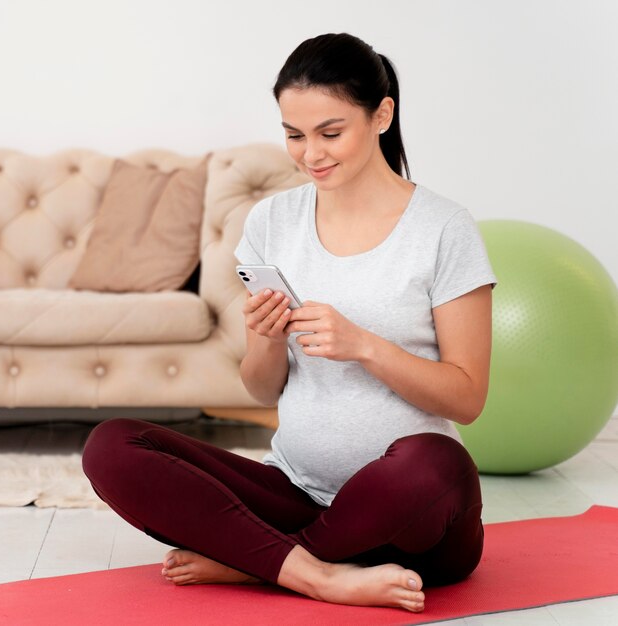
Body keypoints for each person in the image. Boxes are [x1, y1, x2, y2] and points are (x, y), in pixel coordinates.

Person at [82, 32, 497, 614]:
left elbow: (467, 398)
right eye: (293, 135)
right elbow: (259, 386)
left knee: (436, 461)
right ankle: (319, 574)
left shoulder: (444, 228)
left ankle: (259, 563)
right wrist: (270, 341)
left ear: (381, 115)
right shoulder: (273, 221)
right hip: (297, 494)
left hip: (415, 524)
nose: (310, 154)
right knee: (112, 446)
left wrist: (365, 346)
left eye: (330, 133)